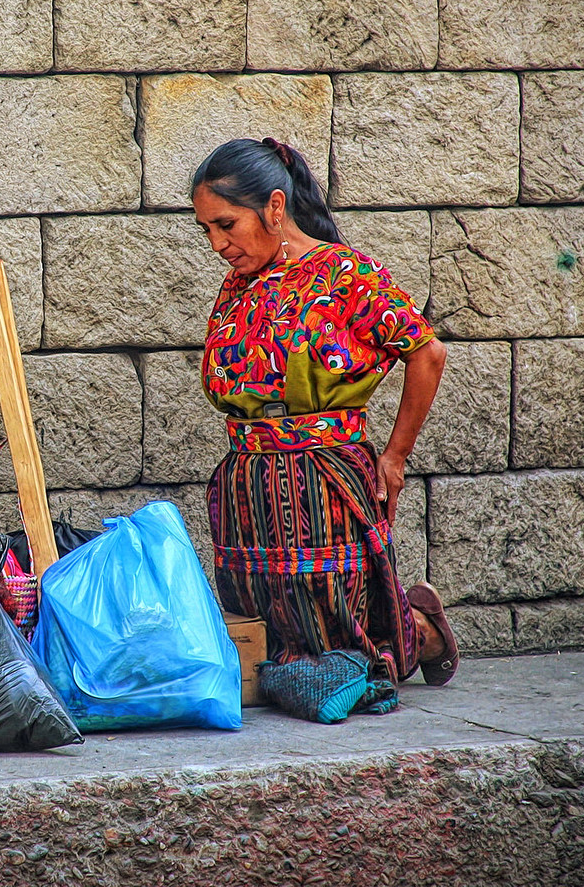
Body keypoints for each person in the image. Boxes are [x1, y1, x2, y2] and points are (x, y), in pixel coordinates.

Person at [191, 137, 459, 688]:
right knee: (272, 623)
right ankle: (392, 634)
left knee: (332, 630)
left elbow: (427, 353)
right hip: (249, 481)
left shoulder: (344, 275)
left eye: (226, 224)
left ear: (272, 206)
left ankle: (422, 635)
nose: (218, 244)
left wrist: (396, 456)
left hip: (322, 477)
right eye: (208, 231)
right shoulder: (237, 287)